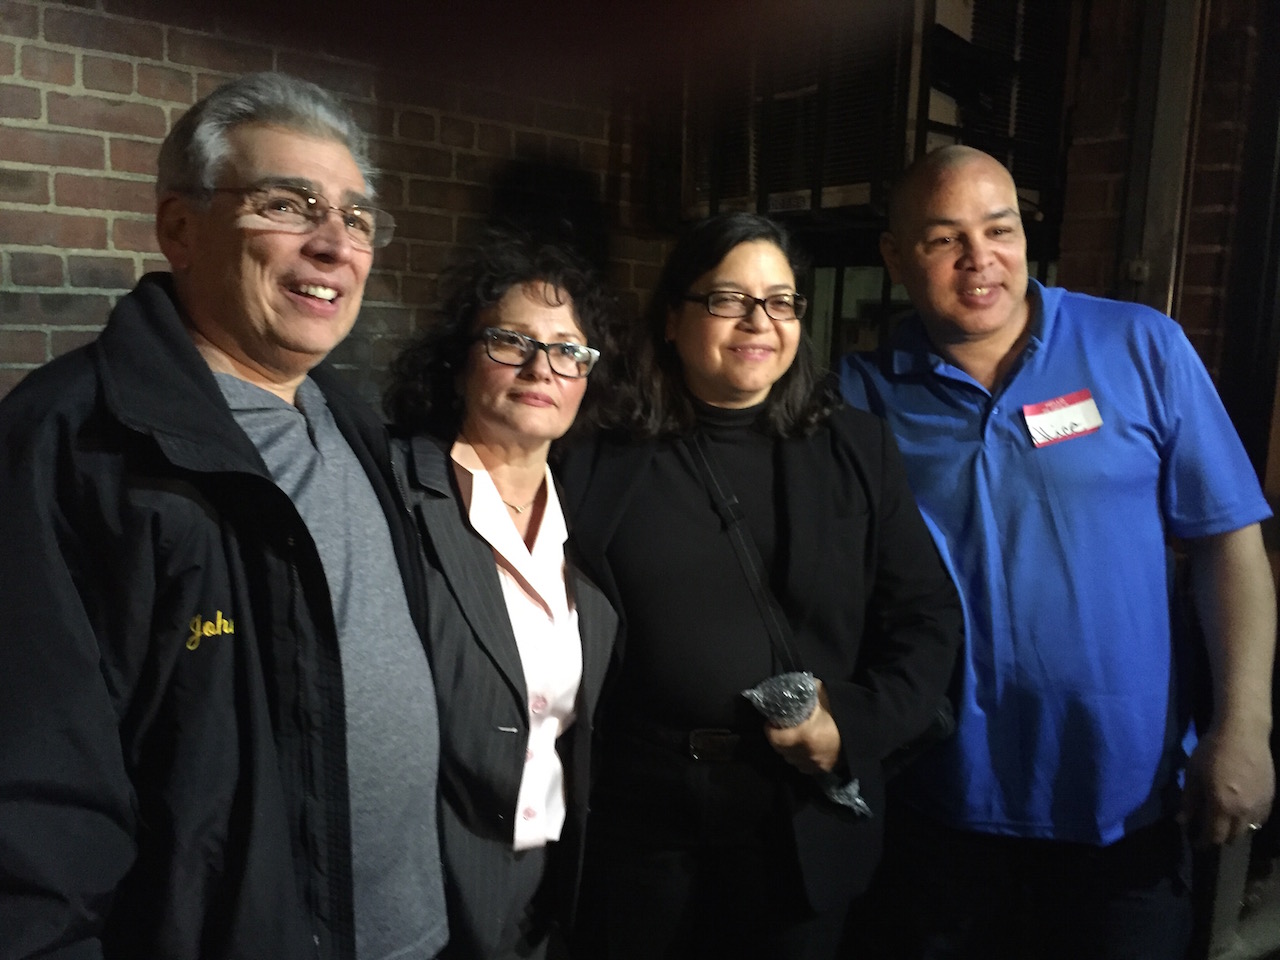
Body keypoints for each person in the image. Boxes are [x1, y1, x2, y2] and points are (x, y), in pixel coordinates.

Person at [0, 72, 447, 960]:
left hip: (407, 938)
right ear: (179, 228)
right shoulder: (74, 442)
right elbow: (35, 794)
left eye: (356, 218)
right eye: (290, 204)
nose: (334, 244)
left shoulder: (352, 421)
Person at [839, 144, 1276, 959]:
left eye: (998, 229)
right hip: (938, 813)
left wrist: (1243, 727)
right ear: (896, 258)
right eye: (943, 240)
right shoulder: (862, 393)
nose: (980, 260)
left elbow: (1229, 543)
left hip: (1125, 810)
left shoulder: (1140, 347)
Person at [557, 211, 964, 960]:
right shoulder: (595, 451)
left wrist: (855, 725)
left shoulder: (854, 448)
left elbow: (929, 616)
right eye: (728, 298)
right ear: (674, 318)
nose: (759, 321)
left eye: (780, 301)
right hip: (640, 830)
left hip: (795, 826)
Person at [384, 225, 618, 960]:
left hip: (542, 890)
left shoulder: (586, 530)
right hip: (420, 884)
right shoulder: (394, 495)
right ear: (458, 362)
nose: (541, 366)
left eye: (568, 350)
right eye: (510, 342)